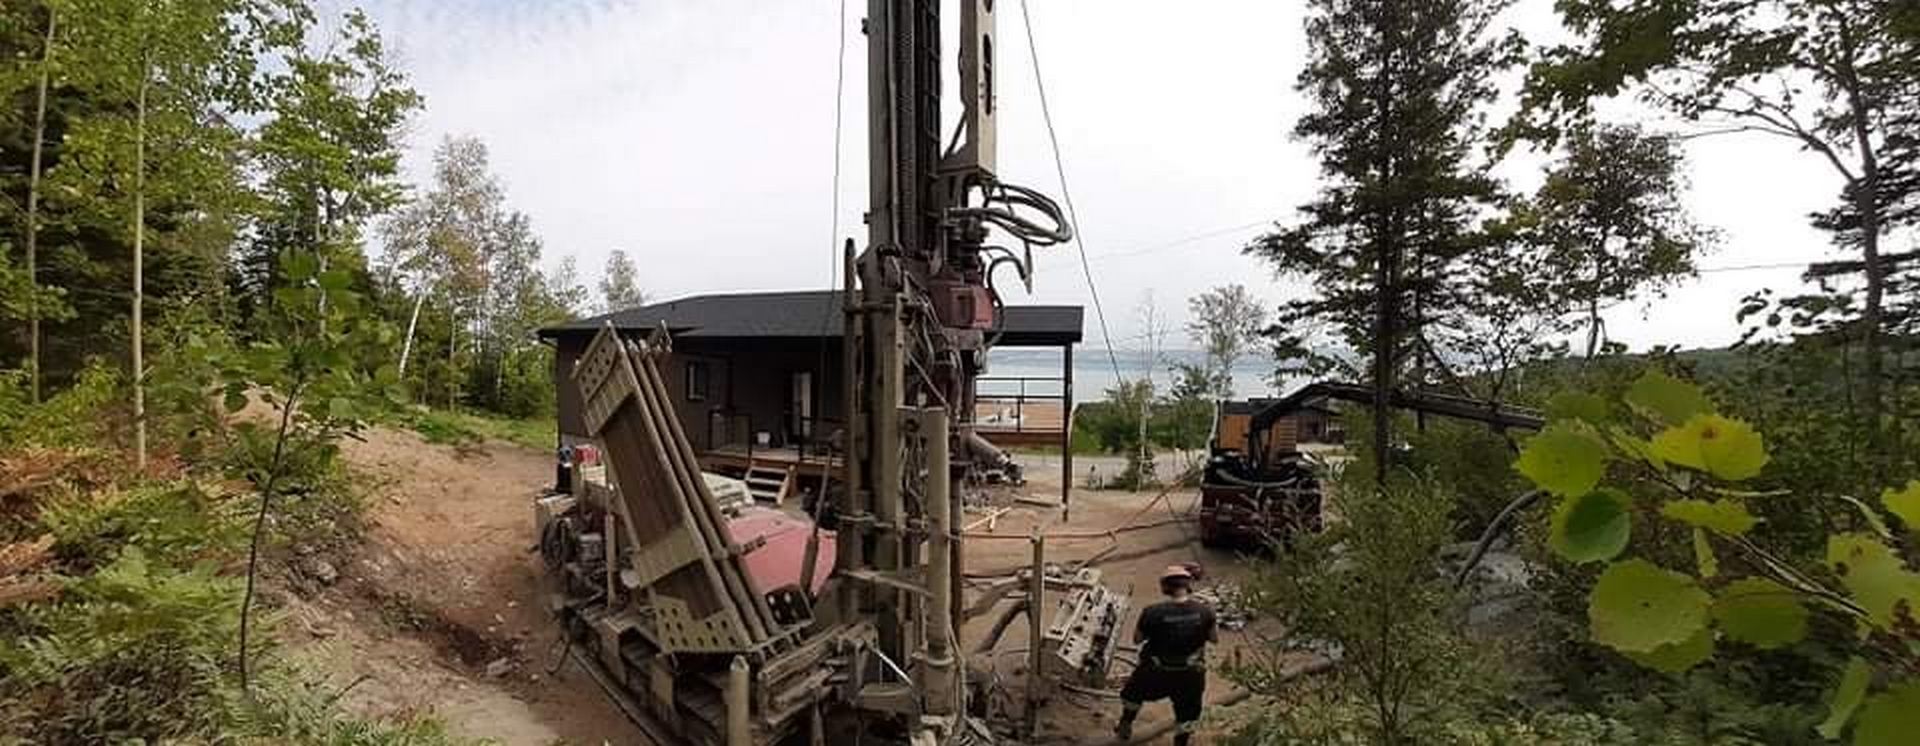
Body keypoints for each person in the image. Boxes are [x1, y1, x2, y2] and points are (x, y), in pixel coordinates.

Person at [1115, 564, 1216, 745]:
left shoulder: (1152, 612)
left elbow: (1137, 640)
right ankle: (1180, 743)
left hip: (1156, 671)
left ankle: (1126, 724)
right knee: (1188, 713)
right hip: (1191, 673)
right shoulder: (1206, 611)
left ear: (1166, 587)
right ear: (1187, 585)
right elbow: (1214, 639)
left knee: (1132, 694)